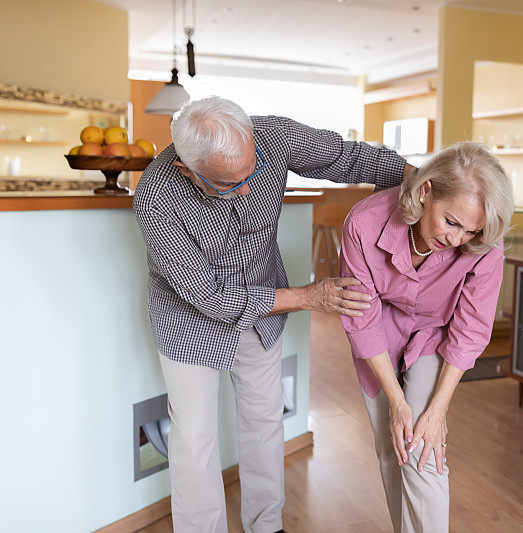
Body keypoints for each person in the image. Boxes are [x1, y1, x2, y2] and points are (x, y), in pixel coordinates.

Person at [133, 96, 414, 533]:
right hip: (190, 322)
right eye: (228, 184)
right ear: (189, 170)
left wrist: (423, 178)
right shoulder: (155, 197)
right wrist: (306, 297)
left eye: (253, 172)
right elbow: (211, 297)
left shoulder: (272, 137)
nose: (247, 188)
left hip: (263, 314)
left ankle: (266, 526)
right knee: (194, 441)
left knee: (265, 420)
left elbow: (348, 158)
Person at [339, 142, 514, 532]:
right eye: (451, 222)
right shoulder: (364, 223)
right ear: (426, 191)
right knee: (392, 446)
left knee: (423, 448)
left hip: (437, 333)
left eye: (471, 230)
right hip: (380, 331)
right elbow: (362, 320)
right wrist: (396, 401)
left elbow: (471, 326)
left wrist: (437, 410)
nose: (458, 239)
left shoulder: (484, 240)